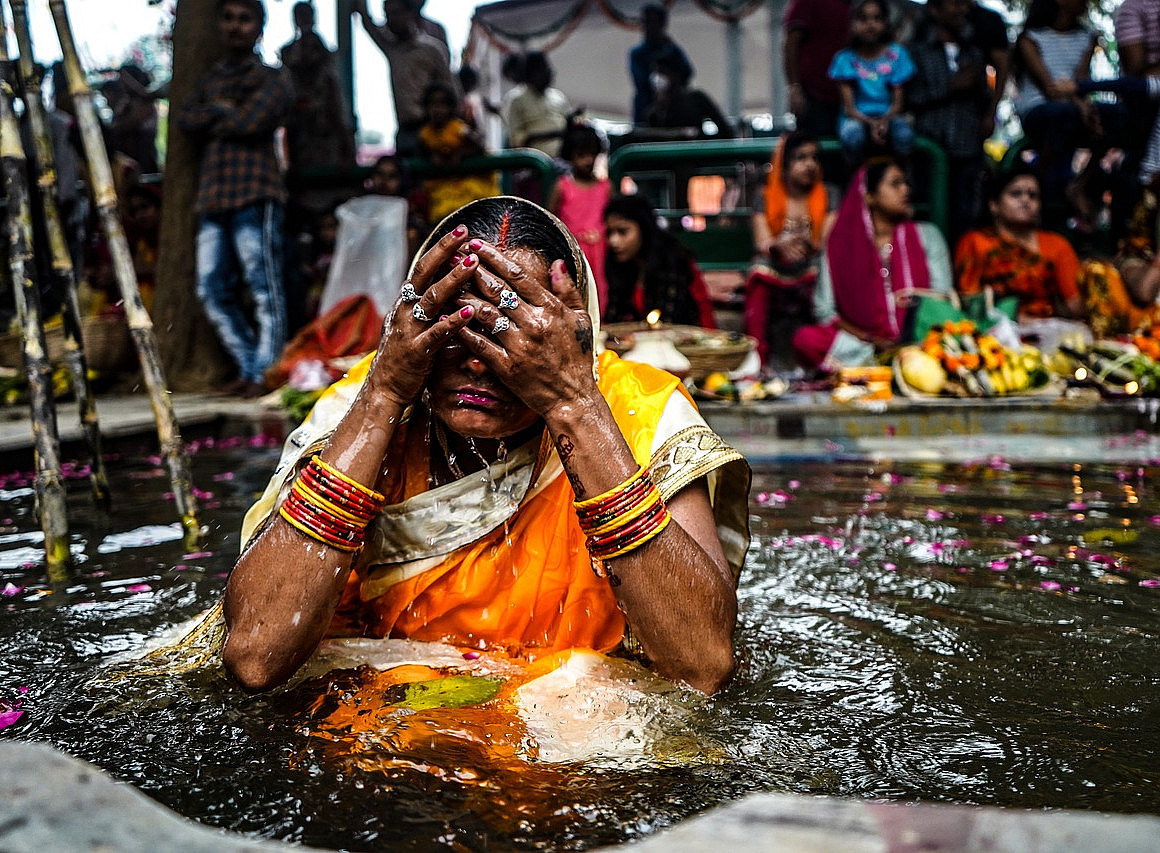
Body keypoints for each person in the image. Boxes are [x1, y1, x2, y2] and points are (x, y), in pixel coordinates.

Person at [221, 196, 749, 697]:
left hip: (582, 738)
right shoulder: (365, 402)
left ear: (572, 329)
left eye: (513, 327)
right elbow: (256, 658)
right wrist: (382, 397)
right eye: (455, 321)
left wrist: (572, 405)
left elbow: (701, 664)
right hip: (392, 733)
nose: (477, 361)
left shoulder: (639, 410)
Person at [176, 0, 294, 398]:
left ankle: (265, 374)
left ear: (259, 27)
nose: (235, 27)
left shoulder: (273, 78)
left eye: (244, 19)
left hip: (255, 192)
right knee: (210, 289)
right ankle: (248, 366)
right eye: (228, 18)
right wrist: (222, 110)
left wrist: (220, 115)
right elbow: (184, 118)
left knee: (263, 287)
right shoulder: (211, 80)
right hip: (213, 197)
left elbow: (251, 121)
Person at [792, 158, 953, 370]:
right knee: (806, 339)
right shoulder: (839, 246)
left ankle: (900, 363)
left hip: (922, 339)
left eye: (905, 183)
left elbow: (941, 296)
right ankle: (883, 364)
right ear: (869, 196)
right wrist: (870, 340)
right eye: (895, 184)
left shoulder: (928, 235)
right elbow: (824, 310)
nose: (905, 189)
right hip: (865, 347)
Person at [1014, 0, 1125, 231]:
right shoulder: (1030, 38)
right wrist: (1081, 105)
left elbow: (1079, 82)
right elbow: (1050, 88)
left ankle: (1080, 184)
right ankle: (1038, 183)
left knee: (1118, 115)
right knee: (1063, 114)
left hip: (1074, 111)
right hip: (1041, 110)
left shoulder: (1087, 37)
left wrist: (1085, 106)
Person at [744, 133, 839, 368]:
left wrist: (805, 243)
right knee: (758, 272)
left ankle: (819, 356)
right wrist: (780, 246)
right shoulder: (764, 196)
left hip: (812, 265)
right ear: (784, 165)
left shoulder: (829, 194)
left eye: (815, 158)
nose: (810, 165)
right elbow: (762, 242)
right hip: (776, 265)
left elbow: (827, 242)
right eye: (801, 158)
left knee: (826, 270)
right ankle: (758, 359)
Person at [906, 0, 991, 244]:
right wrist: (951, 86)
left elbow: (984, 98)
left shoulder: (974, 53)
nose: (962, 9)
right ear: (935, 10)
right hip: (929, 147)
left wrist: (976, 87)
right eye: (954, 3)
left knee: (966, 215)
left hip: (967, 146)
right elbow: (911, 98)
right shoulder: (918, 53)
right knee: (927, 214)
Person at [954, 168, 1084, 321]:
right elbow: (969, 301)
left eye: (1033, 196)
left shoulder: (1057, 244)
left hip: (1046, 328)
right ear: (994, 205)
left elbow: (1075, 304)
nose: (1025, 200)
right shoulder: (975, 242)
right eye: (1016, 194)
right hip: (992, 329)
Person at [354, 0, 457, 158]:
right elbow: (368, 22)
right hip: (405, 130)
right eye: (387, 15)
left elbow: (451, 90)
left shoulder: (432, 49)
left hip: (432, 128)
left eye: (395, 13)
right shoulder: (392, 48)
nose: (390, 20)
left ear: (410, 14)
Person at [603, 193, 717, 328]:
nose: (613, 241)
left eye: (622, 232)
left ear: (644, 229)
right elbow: (614, 320)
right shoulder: (620, 265)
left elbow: (670, 322)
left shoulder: (673, 260)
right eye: (609, 233)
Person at [828, 0, 916, 163]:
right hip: (856, 118)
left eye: (877, 18)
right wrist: (872, 124)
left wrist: (883, 122)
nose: (870, 25)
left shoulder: (897, 55)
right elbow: (849, 109)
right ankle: (857, 183)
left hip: (890, 117)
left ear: (885, 22)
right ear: (853, 23)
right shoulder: (844, 59)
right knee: (852, 135)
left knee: (904, 135)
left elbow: (898, 105)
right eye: (863, 19)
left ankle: (901, 179)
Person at [279, 0, 356, 171]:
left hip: (325, 133)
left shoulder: (326, 62)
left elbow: (337, 104)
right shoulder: (289, 54)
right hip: (301, 133)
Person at [548, 124, 611, 311]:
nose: (588, 160)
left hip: (602, 253)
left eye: (592, 154)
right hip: (574, 253)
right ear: (570, 156)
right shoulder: (562, 187)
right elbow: (551, 220)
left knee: (601, 295)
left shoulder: (606, 188)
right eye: (581, 155)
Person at [416, 82, 499, 223]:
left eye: (442, 104)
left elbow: (480, 146)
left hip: (469, 186)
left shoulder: (458, 128)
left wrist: (461, 153)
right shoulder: (425, 134)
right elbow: (423, 153)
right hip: (444, 189)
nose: (437, 110)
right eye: (433, 105)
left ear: (451, 108)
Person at [783, 0, 851, 140]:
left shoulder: (850, 5)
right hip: (813, 97)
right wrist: (794, 88)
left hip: (847, 97)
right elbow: (791, 43)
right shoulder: (806, 3)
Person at [628, 3, 694, 125]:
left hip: (674, 111)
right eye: (645, 22)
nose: (648, 27)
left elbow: (688, 73)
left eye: (652, 22)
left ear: (662, 24)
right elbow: (642, 82)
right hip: (646, 111)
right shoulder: (638, 54)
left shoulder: (672, 50)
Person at [643, 54, 733, 140]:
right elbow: (652, 134)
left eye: (662, 72)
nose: (657, 78)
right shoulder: (656, 108)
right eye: (656, 72)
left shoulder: (696, 98)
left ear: (675, 75)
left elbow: (724, 129)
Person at [504, 51, 572, 159]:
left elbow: (571, 124)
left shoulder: (558, 96)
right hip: (536, 162)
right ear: (530, 74)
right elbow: (517, 141)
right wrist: (555, 134)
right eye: (543, 69)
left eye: (549, 68)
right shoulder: (516, 99)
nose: (549, 73)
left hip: (566, 158)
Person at [366, 153, 429, 256]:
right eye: (380, 174)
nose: (384, 181)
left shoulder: (409, 209)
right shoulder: (364, 208)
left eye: (392, 176)